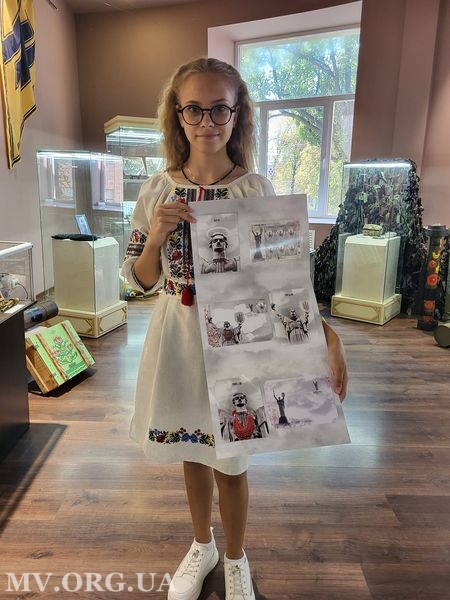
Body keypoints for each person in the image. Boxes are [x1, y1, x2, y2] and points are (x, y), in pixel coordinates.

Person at [121, 57, 348, 600]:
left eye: (219, 108)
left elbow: (284, 279)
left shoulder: (254, 189)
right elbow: (141, 280)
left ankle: (235, 556)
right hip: (177, 336)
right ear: (177, 115)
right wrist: (156, 237)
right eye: (194, 109)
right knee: (192, 447)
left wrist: (328, 335)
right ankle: (201, 545)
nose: (207, 121)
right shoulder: (156, 190)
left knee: (232, 457)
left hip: (239, 338)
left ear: (237, 112)